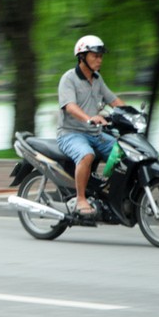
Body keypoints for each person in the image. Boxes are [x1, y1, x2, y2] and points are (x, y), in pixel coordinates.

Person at [57, 34, 125, 216]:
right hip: (70, 133)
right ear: (82, 57)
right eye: (95, 55)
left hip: (94, 133)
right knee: (87, 155)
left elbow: (113, 100)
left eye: (101, 56)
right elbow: (70, 106)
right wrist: (89, 118)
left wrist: (131, 115)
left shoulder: (97, 79)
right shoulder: (68, 78)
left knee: (123, 151)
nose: (99, 59)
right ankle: (80, 199)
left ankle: (107, 189)